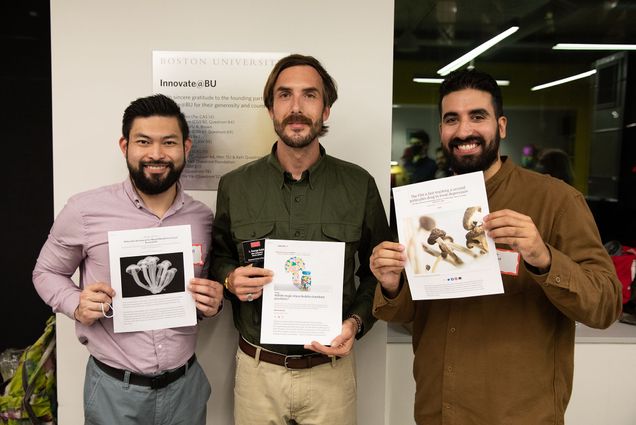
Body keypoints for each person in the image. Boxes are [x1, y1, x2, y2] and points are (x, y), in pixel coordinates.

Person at [370, 69, 622, 425]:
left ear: (501, 126)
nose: (464, 131)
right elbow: (409, 313)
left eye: (478, 116)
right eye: (451, 119)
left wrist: (544, 258)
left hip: (518, 414)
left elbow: (606, 306)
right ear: (442, 131)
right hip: (436, 410)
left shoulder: (557, 201)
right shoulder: (425, 208)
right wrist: (391, 283)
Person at [211, 54, 391, 425]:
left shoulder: (359, 186)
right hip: (257, 371)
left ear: (326, 109)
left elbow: (379, 272)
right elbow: (218, 256)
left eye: (309, 95)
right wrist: (230, 279)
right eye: (284, 95)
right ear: (270, 109)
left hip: (331, 371)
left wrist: (355, 324)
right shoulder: (235, 186)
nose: (296, 107)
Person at [32, 94, 223, 425]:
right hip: (113, 392)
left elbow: (199, 292)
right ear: (125, 146)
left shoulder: (201, 218)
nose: (156, 154)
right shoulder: (84, 210)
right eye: (144, 141)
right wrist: (76, 302)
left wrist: (214, 301)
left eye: (169, 142)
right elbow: (46, 271)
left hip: (185, 388)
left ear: (186, 147)